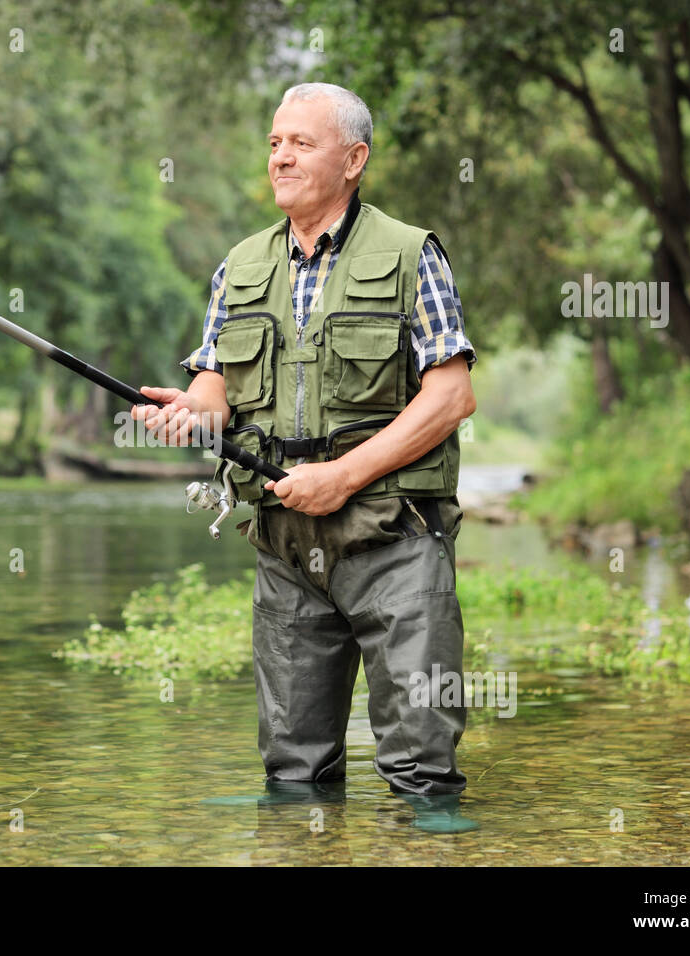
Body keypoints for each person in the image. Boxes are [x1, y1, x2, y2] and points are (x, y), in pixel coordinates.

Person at [133, 82, 478, 808]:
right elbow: (214, 392)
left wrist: (343, 476)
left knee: (421, 772)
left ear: (354, 159)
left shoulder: (413, 255)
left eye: (301, 143)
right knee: (293, 773)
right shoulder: (239, 266)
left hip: (395, 539)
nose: (280, 158)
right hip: (286, 549)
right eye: (273, 143)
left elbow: (451, 397)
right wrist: (190, 412)